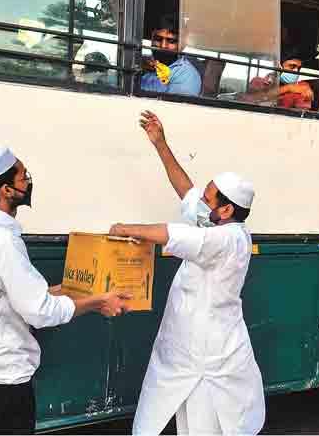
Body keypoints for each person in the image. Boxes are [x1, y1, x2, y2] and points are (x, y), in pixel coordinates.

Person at [113, 111, 265, 435]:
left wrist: (125, 228)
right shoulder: (215, 219)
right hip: (181, 344)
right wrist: (160, 144)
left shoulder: (227, 238)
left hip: (209, 352)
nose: (201, 201)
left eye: (209, 198)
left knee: (206, 422)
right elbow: (186, 191)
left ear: (226, 210)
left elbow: (172, 234)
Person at [0, 145, 130, 434]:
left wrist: (74, 288)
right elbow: (39, 311)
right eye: (23, 176)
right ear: (6, 190)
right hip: (1, 386)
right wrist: (98, 302)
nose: (28, 181)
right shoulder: (1, 242)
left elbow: (11, 295)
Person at [140, 16, 202, 97]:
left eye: (171, 41)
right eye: (158, 39)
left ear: (182, 45)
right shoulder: (144, 63)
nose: (163, 46)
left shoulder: (186, 75)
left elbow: (170, 108)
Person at [244, 48, 314, 110]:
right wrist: (287, 88)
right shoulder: (257, 81)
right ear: (280, 66)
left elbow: (302, 114)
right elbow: (251, 100)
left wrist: (307, 96)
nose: (295, 70)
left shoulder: (302, 86)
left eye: (298, 68)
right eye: (292, 66)